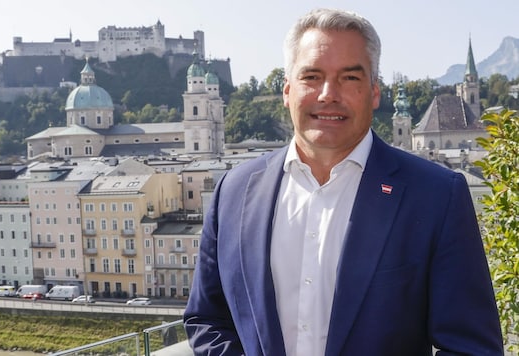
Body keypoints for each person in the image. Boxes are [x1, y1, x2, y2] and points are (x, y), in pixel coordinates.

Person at [183, 8, 503, 356]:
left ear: (374, 92)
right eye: (311, 76)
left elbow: (471, 347)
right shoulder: (234, 191)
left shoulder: (436, 195)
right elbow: (208, 319)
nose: (327, 94)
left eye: (349, 78)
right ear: (287, 91)